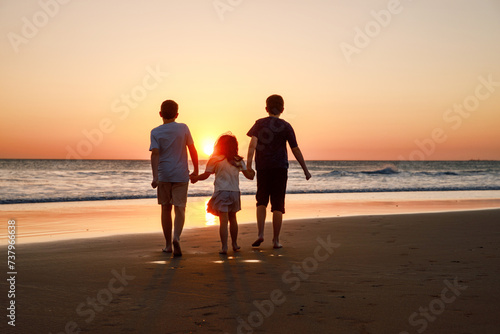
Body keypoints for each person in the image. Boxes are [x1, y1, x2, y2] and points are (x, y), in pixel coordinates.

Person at [246, 94, 311, 249]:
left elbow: (252, 145)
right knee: (277, 204)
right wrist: (305, 169)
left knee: (261, 201)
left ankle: (260, 234)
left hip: (263, 168)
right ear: (282, 109)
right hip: (280, 168)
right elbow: (295, 149)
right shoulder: (286, 126)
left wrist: (248, 166)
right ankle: (275, 240)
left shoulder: (259, 124)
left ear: (266, 108)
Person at [191, 134, 254, 254]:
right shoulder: (238, 160)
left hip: (222, 192)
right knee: (233, 218)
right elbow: (249, 176)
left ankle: (224, 247)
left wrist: (195, 178)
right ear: (234, 146)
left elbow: (205, 175)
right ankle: (235, 244)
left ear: (219, 145)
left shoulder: (215, 159)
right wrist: (253, 173)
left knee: (223, 221)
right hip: (235, 192)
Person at [150, 100, 199, 257]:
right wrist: (196, 170)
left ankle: (167, 245)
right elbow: (192, 149)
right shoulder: (183, 128)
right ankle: (176, 237)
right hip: (181, 175)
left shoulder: (155, 132)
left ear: (160, 114)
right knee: (180, 208)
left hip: (164, 175)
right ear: (177, 114)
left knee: (166, 208)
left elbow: (155, 154)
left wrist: (155, 177)